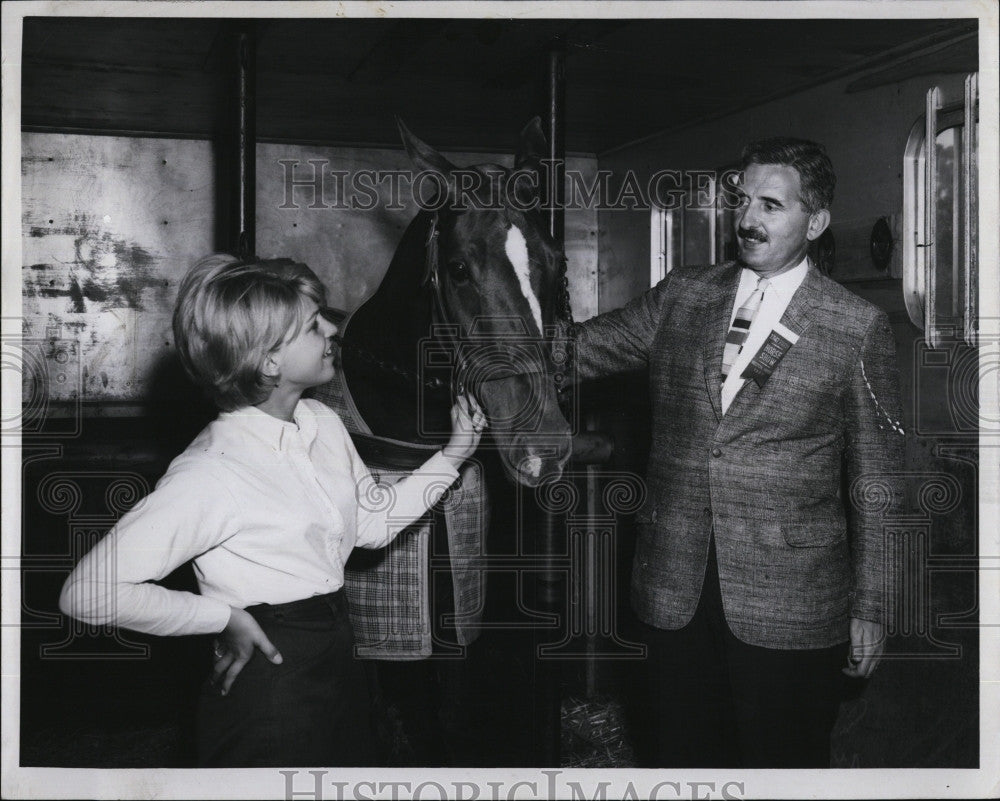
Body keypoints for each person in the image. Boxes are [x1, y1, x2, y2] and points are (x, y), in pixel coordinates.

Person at [58, 253, 485, 767]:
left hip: (339, 652)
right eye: (312, 325)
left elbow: (371, 525)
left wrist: (455, 452)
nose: (332, 327)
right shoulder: (211, 472)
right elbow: (88, 592)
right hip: (269, 667)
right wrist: (218, 616)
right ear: (268, 362)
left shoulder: (320, 422)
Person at [569, 138, 905, 767]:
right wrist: (486, 351)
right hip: (674, 591)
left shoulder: (855, 325)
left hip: (791, 606)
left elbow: (878, 481)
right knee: (679, 761)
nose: (747, 219)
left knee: (781, 766)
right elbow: (578, 350)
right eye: (742, 200)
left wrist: (873, 606)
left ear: (817, 221)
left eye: (771, 205)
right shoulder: (682, 295)